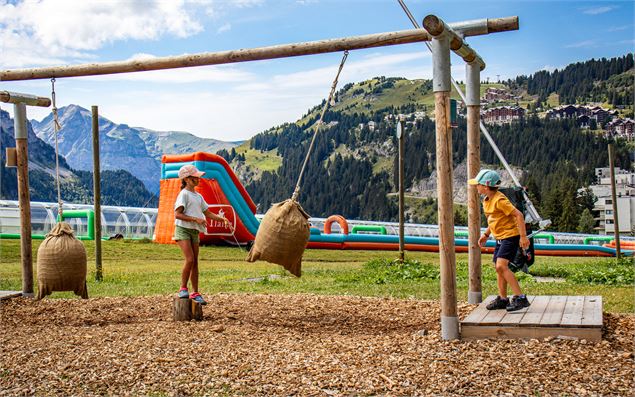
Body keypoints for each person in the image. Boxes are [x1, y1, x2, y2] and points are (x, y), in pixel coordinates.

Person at [468, 169, 531, 312]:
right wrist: (486, 234)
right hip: (500, 237)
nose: (476, 187)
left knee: (501, 266)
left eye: (477, 184)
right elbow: (494, 219)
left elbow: (519, 215)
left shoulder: (500, 200)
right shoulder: (487, 200)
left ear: (485, 185)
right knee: (498, 268)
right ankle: (503, 299)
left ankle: (520, 297)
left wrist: (523, 236)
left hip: (510, 236)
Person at [174, 164, 230, 305]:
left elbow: (207, 213)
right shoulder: (184, 194)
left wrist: (222, 218)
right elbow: (177, 214)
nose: (198, 179)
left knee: (195, 262)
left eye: (198, 177)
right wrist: (196, 219)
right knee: (190, 259)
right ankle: (183, 289)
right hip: (183, 230)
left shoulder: (198, 196)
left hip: (194, 231)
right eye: (195, 178)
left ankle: (195, 292)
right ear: (186, 179)